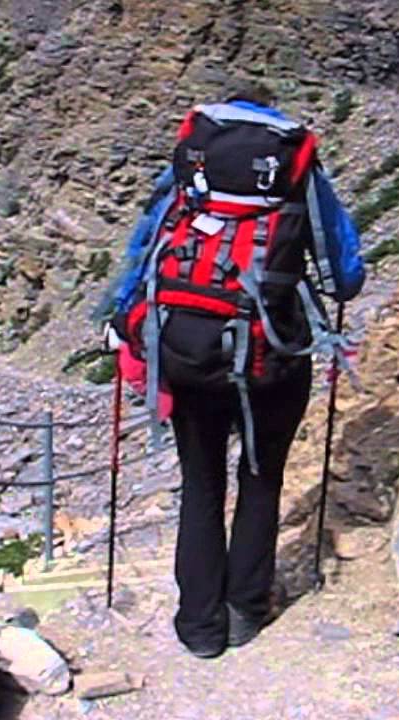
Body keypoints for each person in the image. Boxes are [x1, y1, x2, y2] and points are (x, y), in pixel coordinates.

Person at [103, 79, 365, 658]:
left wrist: (122, 319)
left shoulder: (190, 170)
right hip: (270, 355)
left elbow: (144, 247)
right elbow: (345, 275)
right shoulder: (297, 169)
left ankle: (199, 628)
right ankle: (245, 611)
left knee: (200, 484)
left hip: (188, 353)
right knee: (260, 478)